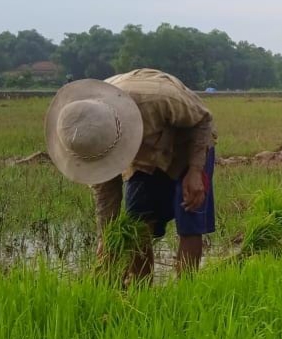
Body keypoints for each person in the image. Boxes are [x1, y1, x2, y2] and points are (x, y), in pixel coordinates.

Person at [45, 68, 216, 280]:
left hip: (186, 145)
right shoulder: (87, 131)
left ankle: (185, 292)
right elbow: (107, 199)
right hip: (144, 158)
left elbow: (203, 120)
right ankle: (140, 290)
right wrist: (106, 242)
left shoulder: (159, 99)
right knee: (136, 226)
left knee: (189, 218)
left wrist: (195, 171)